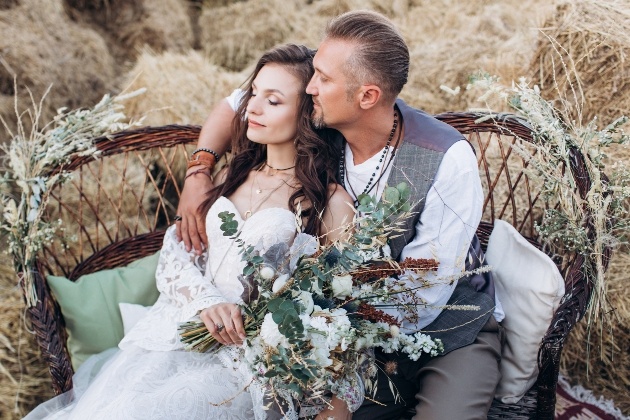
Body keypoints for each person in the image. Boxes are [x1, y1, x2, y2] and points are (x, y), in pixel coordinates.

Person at [176, 10, 505, 420]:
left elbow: (426, 293)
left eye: (322, 80)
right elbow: (240, 102)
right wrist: (199, 170)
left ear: (367, 96)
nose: (310, 87)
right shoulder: (326, 112)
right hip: (343, 334)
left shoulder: (444, 158)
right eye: (314, 73)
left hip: (450, 331)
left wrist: (312, 323)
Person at [25, 44, 357, 420]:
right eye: (254, 94)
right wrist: (205, 301)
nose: (252, 108)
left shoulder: (329, 203)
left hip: (245, 362)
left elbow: (338, 309)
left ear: (308, 113)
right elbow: (178, 249)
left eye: (274, 101)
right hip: (179, 331)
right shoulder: (230, 174)